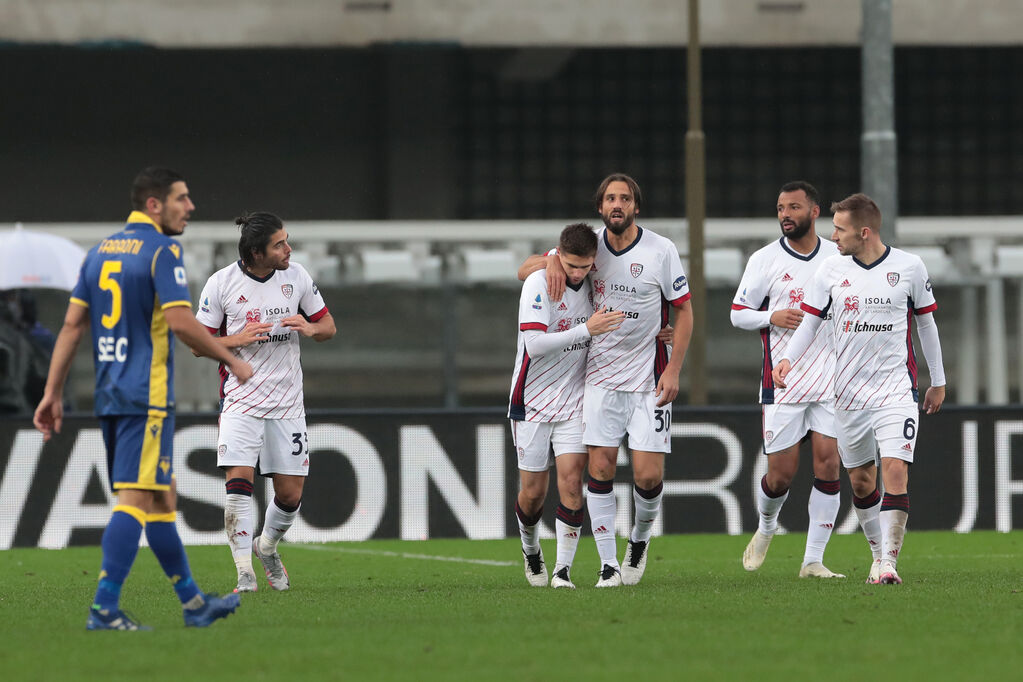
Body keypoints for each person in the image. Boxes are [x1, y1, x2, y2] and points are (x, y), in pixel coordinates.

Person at [33, 166, 254, 630]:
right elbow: (179, 321)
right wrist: (232, 359)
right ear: (154, 205)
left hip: (112, 393)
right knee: (135, 498)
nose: (190, 207)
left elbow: (73, 326)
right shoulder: (161, 250)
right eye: (181, 198)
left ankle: (194, 604)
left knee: (160, 497)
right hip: (146, 396)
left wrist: (52, 392)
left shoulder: (98, 254)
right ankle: (104, 608)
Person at [520, 173, 693, 587]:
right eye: (611, 198)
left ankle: (639, 539)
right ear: (600, 207)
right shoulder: (589, 245)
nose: (618, 204)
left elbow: (684, 310)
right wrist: (549, 263)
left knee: (648, 476)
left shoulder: (661, 250)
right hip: (598, 377)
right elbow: (525, 269)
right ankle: (608, 565)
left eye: (626, 198)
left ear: (636, 206)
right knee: (598, 468)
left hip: (649, 375)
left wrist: (673, 369)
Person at [773, 192, 946, 585]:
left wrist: (938, 380)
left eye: (839, 229)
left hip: (895, 390)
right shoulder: (830, 272)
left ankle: (889, 563)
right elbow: (812, 322)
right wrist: (787, 359)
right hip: (848, 395)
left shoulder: (909, 267)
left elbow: (926, 325)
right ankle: (876, 554)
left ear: (864, 232)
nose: (833, 236)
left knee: (895, 470)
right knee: (862, 481)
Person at [195, 211, 335, 593]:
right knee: (238, 482)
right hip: (241, 400)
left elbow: (328, 327)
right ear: (256, 253)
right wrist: (236, 341)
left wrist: (309, 327)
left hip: (288, 403)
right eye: (279, 244)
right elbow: (197, 343)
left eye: (287, 241)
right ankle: (244, 571)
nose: (288, 249)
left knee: (290, 495)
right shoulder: (221, 284)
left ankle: (266, 546)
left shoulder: (297, 277)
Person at [730, 181, 845, 578]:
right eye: (780, 208)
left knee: (829, 465)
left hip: (832, 381)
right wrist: (771, 317)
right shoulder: (764, 260)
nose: (785, 215)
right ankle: (765, 528)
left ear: (814, 212)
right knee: (780, 475)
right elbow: (738, 312)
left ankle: (813, 560)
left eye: (794, 207)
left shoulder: (837, 255)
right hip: (783, 381)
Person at [509, 223, 624, 589]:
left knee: (573, 483)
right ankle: (530, 549)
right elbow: (535, 346)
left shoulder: (596, 279)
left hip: (575, 400)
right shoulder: (540, 283)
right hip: (532, 401)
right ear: (560, 255)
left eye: (584, 266)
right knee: (533, 494)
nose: (577, 273)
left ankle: (562, 571)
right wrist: (587, 330)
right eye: (571, 265)